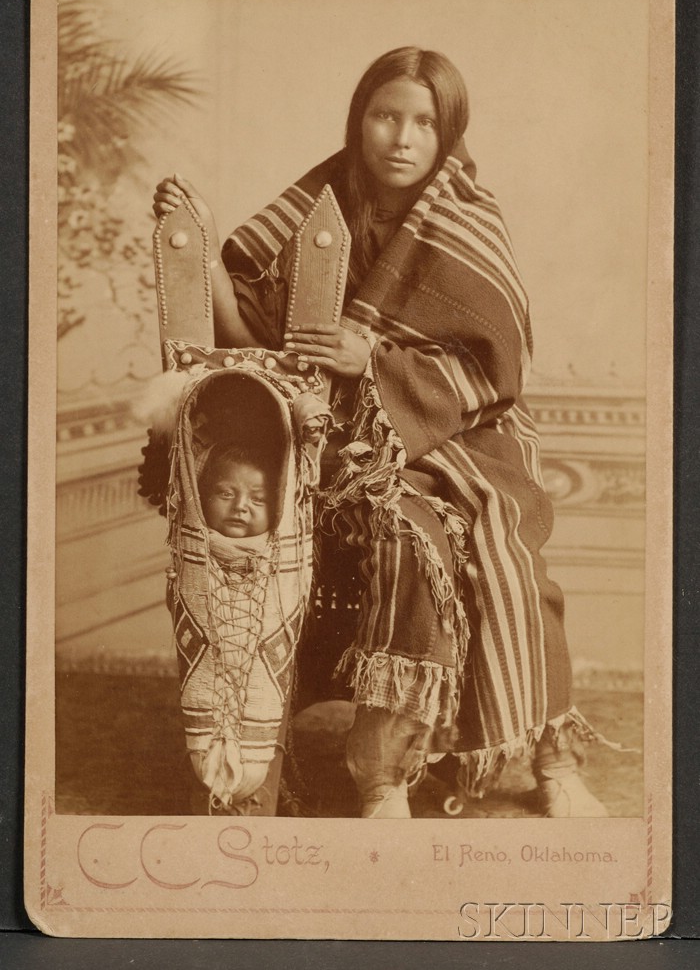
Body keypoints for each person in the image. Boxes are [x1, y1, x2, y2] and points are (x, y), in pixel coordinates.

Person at [153, 46, 608, 819]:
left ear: (448, 130)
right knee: (400, 531)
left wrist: (375, 358)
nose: (402, 136)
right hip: (334, 438)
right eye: (385, 114)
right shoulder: (317, 208)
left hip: (466, 438)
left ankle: (548, 755)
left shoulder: (468, 220)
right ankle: (382, 774)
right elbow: (251, 339)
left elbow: (495, 369)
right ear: (360, 120)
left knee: (489, 544)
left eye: (424, 121)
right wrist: (202, 238)